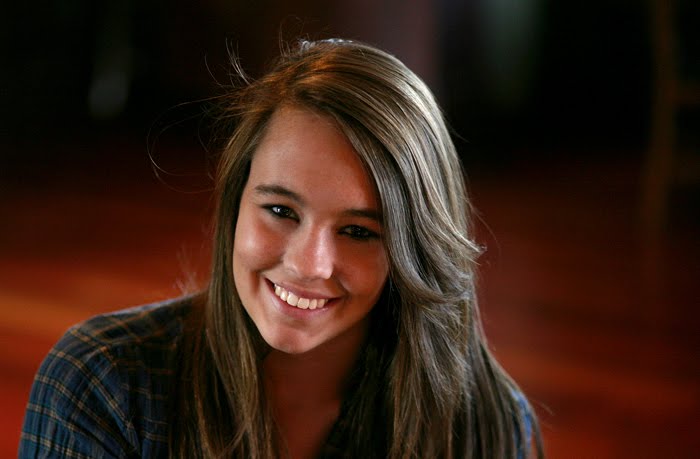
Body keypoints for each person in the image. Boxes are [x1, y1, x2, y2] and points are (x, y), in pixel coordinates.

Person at [19, 39, 542, 458]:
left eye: (359, 232)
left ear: (416, 250)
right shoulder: (101, 383)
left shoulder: (484, 424)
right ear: (235, 201)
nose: (307, 264)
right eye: (281, 210)